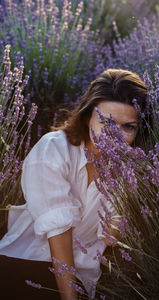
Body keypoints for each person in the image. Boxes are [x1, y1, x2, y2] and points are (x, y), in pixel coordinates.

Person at [0, 68, 150, 300]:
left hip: (83, 276)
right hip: (26, 260)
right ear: (87, 115)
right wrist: (70, 298)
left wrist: (118, 229)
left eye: (128, 127)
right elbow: (58, 231)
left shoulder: (128, 169)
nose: (115, 137)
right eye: (105, 122)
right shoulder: (54, 149)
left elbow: (110, 235)